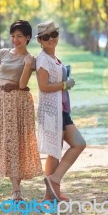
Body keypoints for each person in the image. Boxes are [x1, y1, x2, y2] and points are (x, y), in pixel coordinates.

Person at [0, 20, 43, 202]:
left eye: (19, 36)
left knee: (18, 143)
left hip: (20, 102)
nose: (15, 40)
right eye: (13, 36)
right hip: (1, 102)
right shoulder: (2, 54)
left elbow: (22, 84)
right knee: (4, 141)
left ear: (28, 38)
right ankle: (15, 189)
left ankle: (16, 190)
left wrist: (28, 65)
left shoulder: (30, 59)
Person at [36, 20, 86, 201]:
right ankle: (52, 189)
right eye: (46, 37)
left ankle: (53, 189)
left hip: (62, 109)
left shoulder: (53, 58)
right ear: (40, 40)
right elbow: (43, 86)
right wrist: (64, 84)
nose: (51, 39)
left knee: (74, 145)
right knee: (61, 148)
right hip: (51, 110)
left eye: (54, 34)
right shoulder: (42, 59)